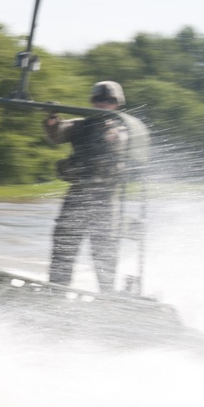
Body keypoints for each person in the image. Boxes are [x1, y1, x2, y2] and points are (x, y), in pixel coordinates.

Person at [43, 81, 129, 293]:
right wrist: (52, 119)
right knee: (64, 246)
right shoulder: (80, 125)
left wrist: (110, 134)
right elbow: (58, 134)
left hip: (105, 200)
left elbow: (122, 142)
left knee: (104, 250)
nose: (103, 104)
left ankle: (107, 297)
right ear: (92, 101)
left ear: (117, 104)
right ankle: (56, 291)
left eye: (109, 101)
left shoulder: (122, 127)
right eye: (99, 100)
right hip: (77, 197)